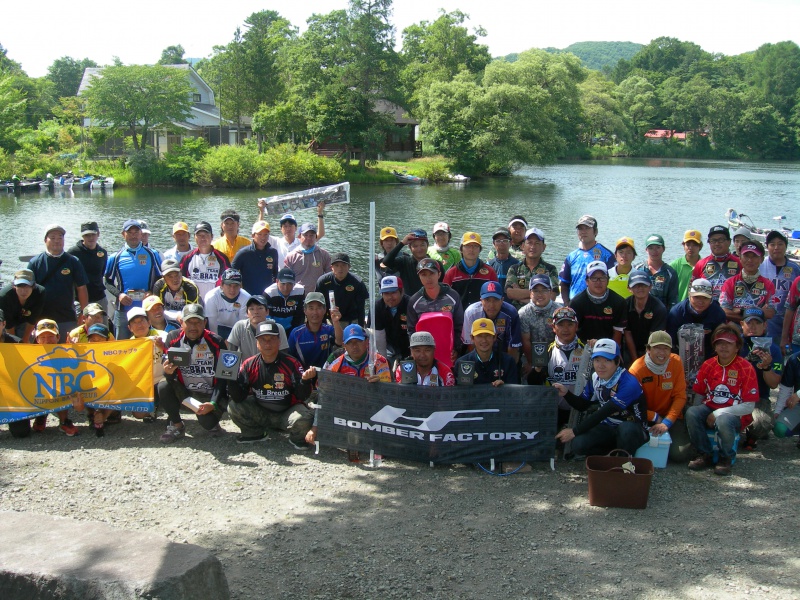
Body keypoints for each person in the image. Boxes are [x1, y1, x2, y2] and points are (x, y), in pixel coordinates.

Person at [554, 338, 648, 456]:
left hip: (633, 428)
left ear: (617, 361)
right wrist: (566, 394)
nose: (601, 365)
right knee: (578, 445)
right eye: (597, 360)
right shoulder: (595, 378)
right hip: (609, 425)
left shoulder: (629, 383)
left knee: (626, 430)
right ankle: (611, 454)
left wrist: (574, 431)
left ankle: (624, 461)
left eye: (607, 361)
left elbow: (604, 411)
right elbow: (583, 405)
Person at [228, 321, 316, 447]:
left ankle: (296, 438)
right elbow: (238, 397)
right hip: (261, 412)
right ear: (257, 343)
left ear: (279, 341)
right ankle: (254, 433)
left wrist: (305, 381)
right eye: (263, 339)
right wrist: (230, 379)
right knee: (233, 406)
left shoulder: (292, 363)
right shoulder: (249, 364)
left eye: (272, 339)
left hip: (287, 412)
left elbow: (302, 397)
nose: (267, 343)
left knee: (305, 418)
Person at [686, 324, 758, 476]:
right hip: (710, 407)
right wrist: (698, 419)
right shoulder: (708, 364)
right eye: (720, 343)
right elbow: (699, 394)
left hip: (735, 414)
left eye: (729, 343)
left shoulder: (746, 368)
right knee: (692, 412)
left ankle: (726, 458)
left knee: (724, 420)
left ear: (737, 347)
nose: (724, 347)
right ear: (714, 346)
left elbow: (749, 406)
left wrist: (718, 413)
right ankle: (704, 454)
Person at [158, 304, 228, 443]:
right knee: (163, 385)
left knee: (207, 423)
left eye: (198, 322)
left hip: (208, 394)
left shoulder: (217, 341)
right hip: (185, 393)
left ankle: (213, 419)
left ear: (205, 322)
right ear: (181, 322)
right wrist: (167, 372)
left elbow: (223, 377)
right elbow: (170, 374)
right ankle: (177, 425)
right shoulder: (173, 338)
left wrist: (213, 403)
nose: (193, 326)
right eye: (189, 321)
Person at [629, 331, 692, 462]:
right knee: (634, 446)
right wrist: (654, 417)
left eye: (666, 349)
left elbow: (680, 396)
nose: (662, 353)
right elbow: (630, 404)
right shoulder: (636, 370)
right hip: (643, 416)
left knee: (680, 455)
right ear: (648, 349)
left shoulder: (676, 362)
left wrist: (666, 422)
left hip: (669, 417)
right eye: (657, 348)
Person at [527, 307, 587, 427]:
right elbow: (532, 383)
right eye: (561, 325)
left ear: (576, 326)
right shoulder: (546, 351)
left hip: (581, 409)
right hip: (555, 410)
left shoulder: (588, 349)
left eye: (570, 324)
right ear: (553, 328)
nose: (565, 329)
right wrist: (537, 369)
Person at [27, 224, 89, 342]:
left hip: (66, 317)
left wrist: (83, 312)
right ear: (45, 240)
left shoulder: (73, 261)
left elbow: (82, 288)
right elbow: (27, 291)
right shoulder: (35, 263)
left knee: (68, 352)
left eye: (60, 237)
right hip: (41, 318)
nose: (57, 241)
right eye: (53, 237)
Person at [104, 218, 163, 340]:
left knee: (149, 344)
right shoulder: (115, 257)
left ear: (141, 234)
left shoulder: (152, 254)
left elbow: (160, 279)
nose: (133, 236)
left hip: (146, 309)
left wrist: (151, 292)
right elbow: (107, 281)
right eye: (129, 232)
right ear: (123, 234)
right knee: (123, 346)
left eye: (136, 232)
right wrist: (119, 295)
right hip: (123, 310)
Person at [738, 307, 783, 449]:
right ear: (741, 324)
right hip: (732, 394)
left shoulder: (773, 349)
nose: (752, 326)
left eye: (757, 323)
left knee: (762, 423)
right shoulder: (733, 344)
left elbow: (774, 384)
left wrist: (766, 367)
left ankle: (751, 438)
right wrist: (745, 361)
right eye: (748, 322)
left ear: (765, 325)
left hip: (757, 398)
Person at [27, 320, 80, 436]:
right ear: (37, 339)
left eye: (51, 336)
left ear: (58, 337)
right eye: (43, 337)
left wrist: (75, 348)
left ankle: (63, 421)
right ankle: (41, 415)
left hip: (58, 389)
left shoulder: (64, 351)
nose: (47, 340)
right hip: (38, 391)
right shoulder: (28, 354)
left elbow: (77, 368)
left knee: (62, 384)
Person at [406, 258, 464, 361]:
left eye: (432, 273)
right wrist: (415, 351)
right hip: (424, 353)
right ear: (419, 277)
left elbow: (460, 325)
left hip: (449, 350)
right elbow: (411, 330)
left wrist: (456, 349)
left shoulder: (453, 296)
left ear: (439, 274)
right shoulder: (414, 301)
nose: (428, 278)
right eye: (423, 275)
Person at [666, 278, 728, 361]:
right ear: (689, 295)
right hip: (680, 356)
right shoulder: (676, 312)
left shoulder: (718, 314)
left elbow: (719, 343)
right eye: (696, 297)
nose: (700, 302)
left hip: (709, 357)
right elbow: (671, 342)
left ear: (711, 299)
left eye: (705, 298)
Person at [559, 215, 615, 304]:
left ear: (595, 231)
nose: (583, 232)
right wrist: (567, 303)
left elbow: (612, 281)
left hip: (599, 304)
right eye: (580, 229)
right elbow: (564, 283)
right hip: (575, 304)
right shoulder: (571, 256)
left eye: (587, 228)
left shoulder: (606, 255)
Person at [462, 280, 522, 361]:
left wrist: (509, 368)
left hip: (504, 354)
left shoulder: (511, 313)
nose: (491, 305)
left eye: (496, 300)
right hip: (479, 354)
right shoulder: (471, 313)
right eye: (487, 300)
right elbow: (471, 344)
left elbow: (513, 346)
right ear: (481, 300)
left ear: (502, 300)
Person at [569, 261, 627, 346]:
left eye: (602, 278)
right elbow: (572, 330)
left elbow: (617, 333)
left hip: (608, 347)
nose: (598, 282)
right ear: (587, 281)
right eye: (594, 278)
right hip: (582, 346)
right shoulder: (576, 303)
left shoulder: (619, 302)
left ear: (608, 280)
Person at [719, 241, 777, 323]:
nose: (750, 260)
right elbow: (723, 311)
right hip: (734, 331)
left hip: (758, 333)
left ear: (762, 259)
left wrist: (741, 311)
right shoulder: (730, 283)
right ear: (740, 258)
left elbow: (770, 313)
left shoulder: (768, 284)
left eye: (754, 256)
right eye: (746, 256)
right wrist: (758, 313)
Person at [759, 230, 800, 348]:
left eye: (780, 244)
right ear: (767, 247)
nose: (776, 247)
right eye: (772, 244)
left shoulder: (795, 269)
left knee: (782, 360)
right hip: (765, 321)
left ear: (786, 247)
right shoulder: (760, 266)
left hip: (787, 321)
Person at [127, 306, 167, 423]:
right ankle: (154, 405)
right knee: (139, 414)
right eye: (135, 322)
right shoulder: (128, 345)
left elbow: (174, 355)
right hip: (144, 383)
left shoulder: (162, 335)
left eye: (142, 321)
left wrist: (163, 347)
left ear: (149, 322)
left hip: (162, 379)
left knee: (165, 388)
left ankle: (171, 414)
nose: (139, 325)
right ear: (129, 328)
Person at [504, 227, 560, 310]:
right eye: (529, 243)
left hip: (543, 315)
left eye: (537, 243)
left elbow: (551, 297)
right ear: (523, 246)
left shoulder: (550, 269)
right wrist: (541, 295)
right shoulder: (514, 269)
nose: (533, 247)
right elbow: (510, 293)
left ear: (543, 247)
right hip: (518, 314)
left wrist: (520, 297)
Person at [455, 318, 519, 385]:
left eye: (488, 335)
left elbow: (514, 392)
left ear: (494, 337)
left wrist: (504, 387)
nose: (484, 340)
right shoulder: (462, 363)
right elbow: (461, 393)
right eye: (479, 336)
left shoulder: (508, 361)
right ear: (472, 338)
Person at [443, 232, 498, 309]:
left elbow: (496, 298)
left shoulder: (490, 272)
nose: (471, 249)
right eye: (468, 246)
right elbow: (444, 298)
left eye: (475, 246)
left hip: (482, 316)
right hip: (458, 317)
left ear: (480, 250)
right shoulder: (451, 273)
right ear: (461, 249)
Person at [287, 292, 343, 369]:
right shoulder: (296, 333)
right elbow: (290, 358)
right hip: (303, 376)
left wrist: (336, 321)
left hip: (325, 376)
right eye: (311, 308)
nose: (315, 312)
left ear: (324, 310)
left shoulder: (328, 330)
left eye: (319, 308)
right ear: (305, 310)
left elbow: (340, 341)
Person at [256, 204, 325, 266]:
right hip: (281, 277)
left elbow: (320, 234)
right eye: (285, 226)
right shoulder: (276, 242)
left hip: (298, 277)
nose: (288, 229)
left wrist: (320, 213)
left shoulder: (302, 242)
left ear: (296, 228)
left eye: (290, 226)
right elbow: (259, 230)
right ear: (281, 229)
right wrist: (262, 211)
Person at [623, 269, 667, 364]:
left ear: (650, 287)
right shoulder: (625, 305)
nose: (640, 288)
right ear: (629, 289)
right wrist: (635, 360)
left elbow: (654, 337)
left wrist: (646, 359)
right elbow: (627, 332)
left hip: (652, 348)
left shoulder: (659, 308)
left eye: (643, 285)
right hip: (629, 348)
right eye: (636, 286)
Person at [180, 221, 232, 300]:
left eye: (206, 235)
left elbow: (229, 282)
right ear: (194, 237)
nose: (203, 238)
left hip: (215, 301)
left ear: (212, 236)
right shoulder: (187, 258)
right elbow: (180, 280)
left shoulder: (222, 258)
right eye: (199, 235)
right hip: (193, 302)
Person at [227, 295, 289, 360]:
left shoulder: (278, 328)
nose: (256, 312)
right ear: (247, 314)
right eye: (251, 309)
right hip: (245, 368)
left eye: (260, 308)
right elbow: (230, 353)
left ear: (267, 312)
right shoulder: (239, 326)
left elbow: (284, 354)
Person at [518, 275, 557, 377]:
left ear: (551, 292)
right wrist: (532, 363)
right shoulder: (523, 313)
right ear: (530, 293)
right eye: (535, 290)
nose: (540, 294)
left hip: (555, 356)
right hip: (530, 356)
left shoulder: (559, 311)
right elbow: (525, 340)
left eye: (544, 290)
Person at [316, 252, 368, 327]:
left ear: (349, 267)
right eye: (336, 265)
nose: (340, 269)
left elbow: (361, 308)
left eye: (343, 265)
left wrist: (361, 327)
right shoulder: (323, 281)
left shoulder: (357, 283)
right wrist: (322, 325)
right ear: (331, 267)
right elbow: (319, 304)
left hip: (351, 322)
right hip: (330, 321)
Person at [383, 229, 441, 296]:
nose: (419, 249)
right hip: (409, 303)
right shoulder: (404, 262)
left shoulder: (436, 264)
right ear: (410, 247)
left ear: (427, 245)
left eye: (422, 245)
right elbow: (386, 261)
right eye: (415, 246)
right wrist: (402, 243)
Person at [692, 225, 741, 302]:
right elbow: (692, 291)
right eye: (713, 240)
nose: (717, 244)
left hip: (731, 310)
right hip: (708, 310)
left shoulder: (740, 263)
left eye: (721, 240)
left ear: (729, 242)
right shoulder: (701, 264)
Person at [371, 275, 411, 370]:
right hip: (388, 347)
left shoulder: (411, 304)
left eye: (393, 292)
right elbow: (379, 336)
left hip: (408, 346)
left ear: (402, 292)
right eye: (386, 293)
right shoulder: (377, 307)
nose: (390, 297)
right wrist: (384, 362)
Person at [68, 221, 108, 312]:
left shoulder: (102, 253)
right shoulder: (73, 253)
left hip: (99, 298)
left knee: (102, 326)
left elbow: (102, 273)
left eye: (93, 234)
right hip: (78, 301)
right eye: (87, 235)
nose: (91, 238)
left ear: (98, 234)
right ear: (82, 236)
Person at [231, 220, 279, 296]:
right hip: (248, 296)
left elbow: (275, 274)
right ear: (253, 235)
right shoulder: (243, 253)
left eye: (266, 234)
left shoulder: (273, 252)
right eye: (260, 234)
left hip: (268, 296)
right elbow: (231, 273)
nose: (263, 238)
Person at [633, 234, 679, 310]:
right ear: (646, 250)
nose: (654, 251)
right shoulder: (637, 269)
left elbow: (673, 300)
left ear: (663, 249)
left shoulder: (670, 273)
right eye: (650, 248)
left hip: (661, 315)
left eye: (658, 247)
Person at [283, 223, 332, 293]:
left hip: (317, 295)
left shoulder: (324, 254)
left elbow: (330, 277)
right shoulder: (291, 256)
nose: (309, 238)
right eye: (305, 235)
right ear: (299, 236)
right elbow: (286, 279)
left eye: (312, 235)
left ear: (316, 237)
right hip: (298, 295)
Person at [204, 268, 251, 339]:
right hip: (217, 326)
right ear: (221, 285)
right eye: (229, 285)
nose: (232, 289)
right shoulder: (211, 297)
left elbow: (242, 325)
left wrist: (233, 342)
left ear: (240, 286)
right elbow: (212, 325)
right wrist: (218, 342)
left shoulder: (246, 298)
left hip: (235, 328)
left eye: (236, 286)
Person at [0, 268, 45, 342]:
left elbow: (33, 319)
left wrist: (25, 339)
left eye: (27, 286)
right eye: (20, 286)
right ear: (14, 286)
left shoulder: (40, 292)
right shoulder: (4, 296)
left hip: (25, 322)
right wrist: (14, 342)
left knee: (26, 341)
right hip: (7, 324)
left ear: (33, 286)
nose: (23, 291)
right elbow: (8, 323)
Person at [265, 268, 305, 335]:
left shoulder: (300, 291)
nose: (286, 288)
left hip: (292, 328)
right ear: (277, 281)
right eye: (283, 284)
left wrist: (295, 331)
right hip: (274, 329)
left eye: (290, 284)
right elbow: (267, 316)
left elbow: (300, 314)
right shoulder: (269, 293)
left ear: (294, 283)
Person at [670, 230, 703, 301]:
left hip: (699, 307)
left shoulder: (705, 265)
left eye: (695, 244)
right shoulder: (674, 265)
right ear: (683, 245)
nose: (691, 248)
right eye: (688, 244)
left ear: (700, 246)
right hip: (678, 307)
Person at [486, 229, 519, 294]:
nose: (501, 243)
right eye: (498, 241)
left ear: (511, 243)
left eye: (505, 240)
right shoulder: (488, 265)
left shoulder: (518, 265)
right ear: (493, 244)